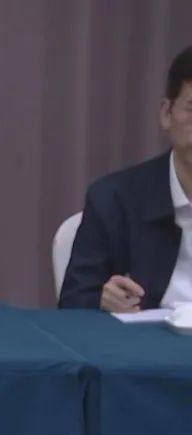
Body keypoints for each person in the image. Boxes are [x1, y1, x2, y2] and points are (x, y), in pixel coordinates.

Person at [60, 46, 192, 312]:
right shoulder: (113, 200)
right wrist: (101, 300)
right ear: (166, 113)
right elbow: (72, 305)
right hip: (144, 337)